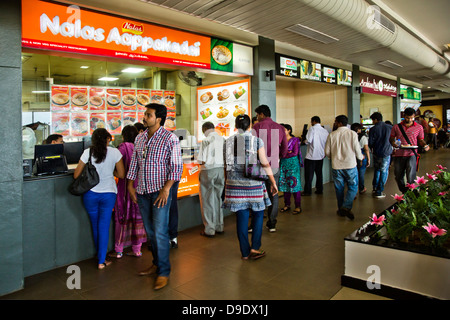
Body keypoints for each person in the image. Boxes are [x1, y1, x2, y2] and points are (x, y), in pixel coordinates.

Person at [127, 103, 183, 290]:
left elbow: (176, 167)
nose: (144, 117)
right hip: (142, 192)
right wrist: (130, 184)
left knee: (159, 232)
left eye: (148, 115)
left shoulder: (170, 138)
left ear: (158, 118)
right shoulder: (140, 138)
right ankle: (157, 263)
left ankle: (164, 272)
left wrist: (166, 189)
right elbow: (134, 163)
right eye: (145, 114)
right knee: (151, 233)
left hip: (160, 193)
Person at [223, 115, 278, 260]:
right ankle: (255, 247)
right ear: (250, 126)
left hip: (234, 185)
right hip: (253, 184)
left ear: (236, 126)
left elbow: (226, 166)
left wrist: (227, 182)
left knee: (241, 217)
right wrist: (273, 181)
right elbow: (265, 163)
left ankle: (245, 253)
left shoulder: (228, 142)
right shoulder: (256, 140)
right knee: (258, 214)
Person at [73, 128, 125, 269]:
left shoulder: (87, 152)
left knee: (95, 225)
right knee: (103, 226)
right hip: (108, 194)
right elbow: (121, 174)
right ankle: (101, 260)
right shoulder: (115, 152)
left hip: (90, 194)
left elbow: (76, 175)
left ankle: (100, 256)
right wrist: (110, 171)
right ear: (108, 139)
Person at [108, 125, 147, 259]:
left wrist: (113, 172)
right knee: (137, 218)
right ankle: (137, 249)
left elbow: (117, 169)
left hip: (125, 187)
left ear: (123, 135)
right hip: (139, 186)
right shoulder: (140, 146)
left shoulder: (122, 148)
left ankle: (119, 250)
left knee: (122, 217)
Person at [252, 104, 288, 232]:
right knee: (274, 193)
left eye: (257, 115)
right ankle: (272, 223)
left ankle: (254, 224)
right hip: (273, 165)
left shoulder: (257, 127)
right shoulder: (280, 128)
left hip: (258, 165)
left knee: (256, 194)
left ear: (262, 114)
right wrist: (279, 156)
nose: (257, 118)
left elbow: (252, 147)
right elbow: (285, 147)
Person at [325, 115, 364, 220]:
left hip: (336, 166)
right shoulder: (353, 134)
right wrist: (360, 157)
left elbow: (327, 152)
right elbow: (357, 148)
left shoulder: (332, 135)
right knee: (353, 186)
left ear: (339, 123)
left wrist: (332, 158)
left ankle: (341, 209)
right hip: (350, 165)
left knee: (339, 188)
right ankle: (346, 207)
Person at [390, 108, 429, 193]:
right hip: (399, 154)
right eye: (408, 118)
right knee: (398, 176)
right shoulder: (396, 127)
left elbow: (421, 140)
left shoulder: (419, 127)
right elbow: (391, 138)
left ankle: (411, 194)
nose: (410, 120)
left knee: (411, 176)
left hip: (412, 154)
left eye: (412, 118)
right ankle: (404, 191)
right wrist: (393, 143)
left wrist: (425, 145)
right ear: (404, 116)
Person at [197, 121, 225, 237]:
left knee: (207, 200)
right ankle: (219, 226)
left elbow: (202, 160)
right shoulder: (222, 139)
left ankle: (209, 229)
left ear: (205, 130)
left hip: (208, 171)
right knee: (218, 198)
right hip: (220, 171)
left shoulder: (206, 140)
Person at [279, 124, 303, 214]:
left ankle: (298, 206)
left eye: (284, 130)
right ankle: (287, 204)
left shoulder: (295, 140)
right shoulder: (281, 140)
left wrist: (284, 154)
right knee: (285, 184)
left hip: (293, 164)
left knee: (294, 184)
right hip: (284, 164)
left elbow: (295, 152)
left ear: (289, 130)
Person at [302, 116, 329, 196]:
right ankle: (319, 189)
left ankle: (307, 191)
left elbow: (309, 141)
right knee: (319, 174)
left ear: (313, 121)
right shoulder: (325, 131)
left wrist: (304, 140)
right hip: (320, 156)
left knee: (309, 175)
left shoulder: (312, 129)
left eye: (311, 122)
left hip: (311, 156)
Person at [368, 112, 392, 198]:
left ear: (376, 119)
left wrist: (372, 148)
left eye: (372, 120)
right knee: (384, 171)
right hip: (386, 153)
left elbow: (370, 143)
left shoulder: (373, 129)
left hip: (377, 153)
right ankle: (379, 191)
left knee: (377, 170)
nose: (372, 122)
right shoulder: (390, 127)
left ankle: (375, 187)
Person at [351, 123, 370, 195]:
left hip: (352, 155)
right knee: (361, 173)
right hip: (361, 154)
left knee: (353, 173)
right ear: (358, 129)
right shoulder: (363, 137)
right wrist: (368, 159)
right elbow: (366, 149)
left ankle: (353, 190)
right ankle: (361, 188)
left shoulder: (350, 136)